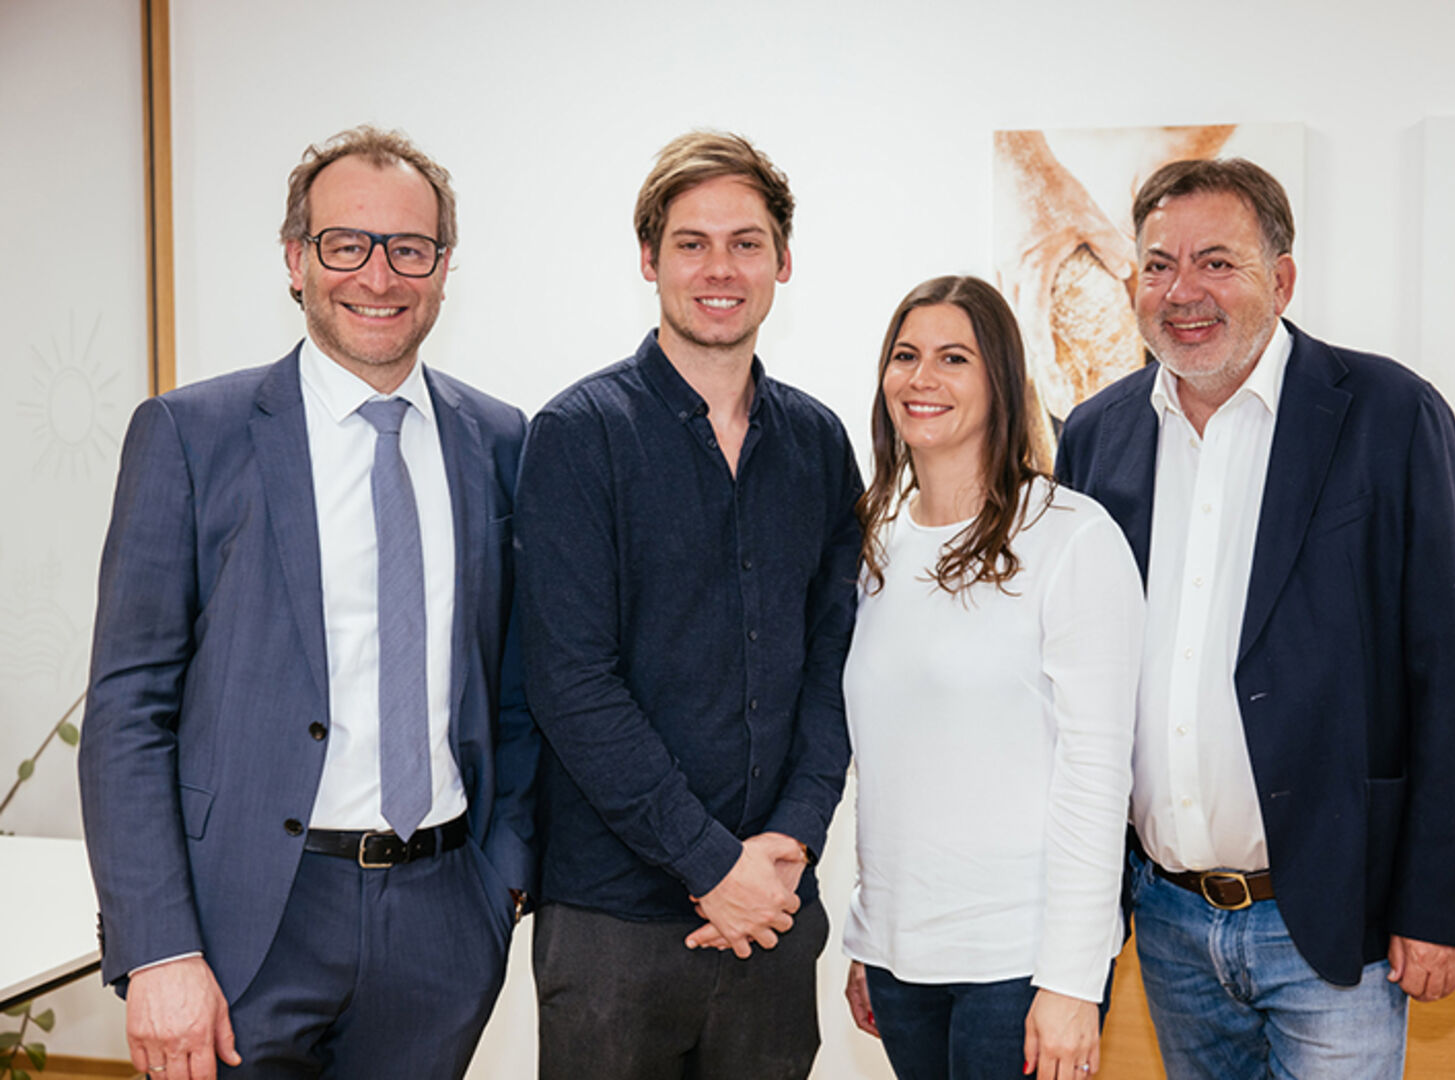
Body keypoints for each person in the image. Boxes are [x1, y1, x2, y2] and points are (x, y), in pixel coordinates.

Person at [79, 126, 538, 1080]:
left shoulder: (499, 442)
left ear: (443, 268)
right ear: (297, 259)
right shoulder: (190, 436)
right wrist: (159, 949)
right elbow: (128, 711)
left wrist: (499, 880)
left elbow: (521, 681)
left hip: (442, 918)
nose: (379, 274)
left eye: (410, 248)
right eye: (345, 244)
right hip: (242, 924)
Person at [1054, 158, 1455, 1079]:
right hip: (1170, 918)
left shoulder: (1389, 414)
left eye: (1216, 262)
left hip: (1334, 919)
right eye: (1156, 265)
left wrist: (1437, 906)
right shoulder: (1095, 436)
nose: (1183, 292)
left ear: (1282, 278)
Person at [515, 131, 862, 1080]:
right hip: (612, 925)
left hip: (775, 914)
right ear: (648, 259)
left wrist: (788, 842)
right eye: (692, 242)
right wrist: (713, 868)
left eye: (747, 243)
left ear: (783, 262)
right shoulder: (577, 437)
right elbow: (571, 684)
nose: (721, 268)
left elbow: (836, 666)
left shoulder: (821, 445)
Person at [839, 276, 1143, 1080]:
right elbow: (891, 763)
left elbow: (1096, 774)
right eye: (904, 356)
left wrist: (1073, 981)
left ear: (1000, 379)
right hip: (903, 958)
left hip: (1020, 962)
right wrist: (868, 937)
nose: (920, 379)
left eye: (952, 358)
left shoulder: (1071, 539)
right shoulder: (873, 544)